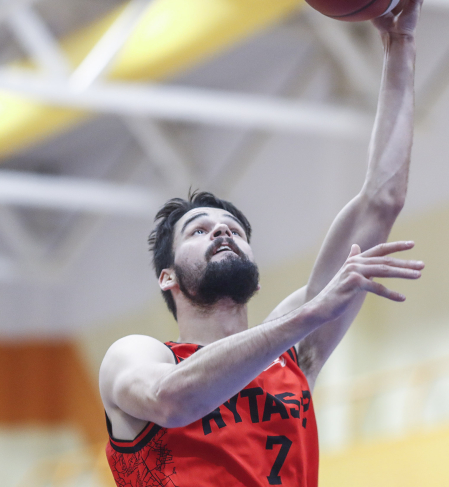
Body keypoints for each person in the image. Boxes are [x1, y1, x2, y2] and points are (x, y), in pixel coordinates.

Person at [99, 1, 424, 485]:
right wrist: (310, 314)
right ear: (166, 277)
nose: (222, 232)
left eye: (234, 230)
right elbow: (172, 401)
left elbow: (382, 200)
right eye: (199, 230)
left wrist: (401, 46)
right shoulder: (139, 355)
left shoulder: (291, 356)